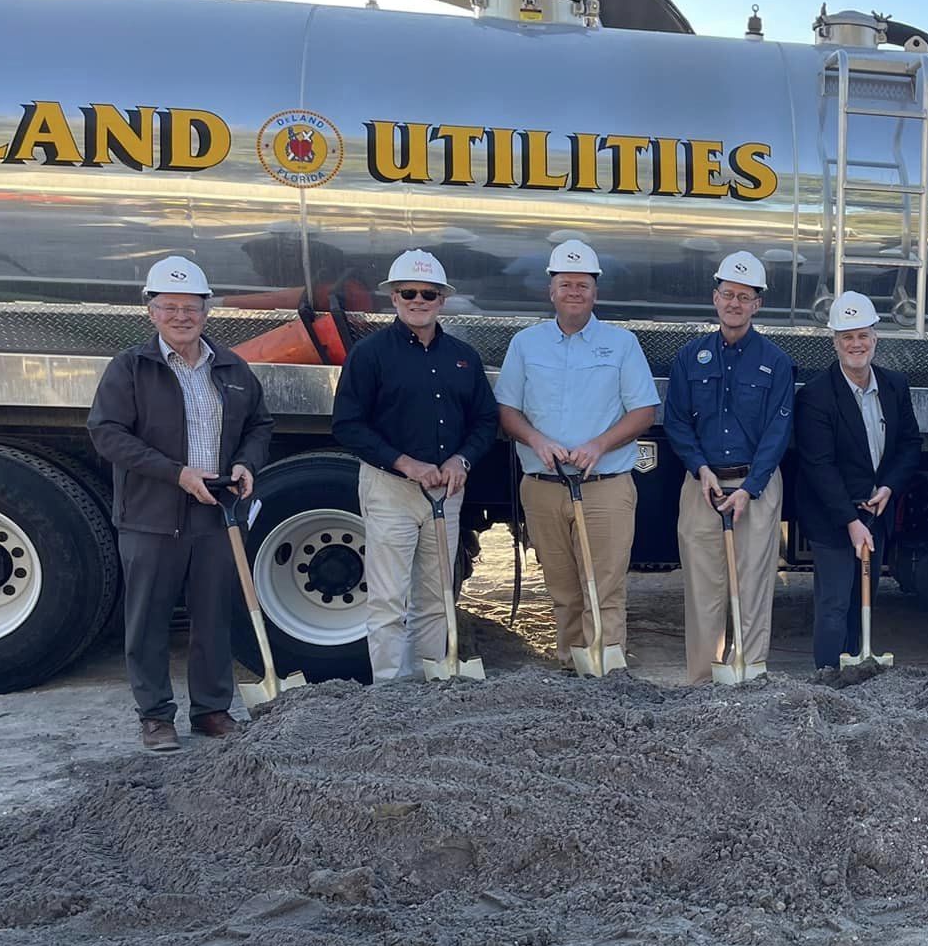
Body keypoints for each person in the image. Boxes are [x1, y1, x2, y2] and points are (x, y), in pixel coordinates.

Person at [87, 256, 274, 752]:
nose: (181, 317)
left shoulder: (231, 367)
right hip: (151, 514)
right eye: (169, 307)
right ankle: (155, 717)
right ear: (151, 311)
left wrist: (246, 463)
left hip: (216, 511)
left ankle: (211, 710)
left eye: (190, 307)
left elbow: (260, 424)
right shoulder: (131, 368)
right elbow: (107, 433)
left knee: (213, 616)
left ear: (206, 311)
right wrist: (177, 474)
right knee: (148, 620)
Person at [330, 249, 499, 683]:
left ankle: (429, 687)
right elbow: (347, 424)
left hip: (446, 493)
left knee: (436, 598)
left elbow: (486, 419)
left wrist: (462, 459)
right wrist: (405, 463)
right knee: (388, 600)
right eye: (408, 293)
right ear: (394, 297)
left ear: (442, 299)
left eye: (428, 293)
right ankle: (390, 691)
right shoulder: (369, 355)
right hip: (391, 490)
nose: (418, 300)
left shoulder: (464, 357)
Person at [494, 239, 656, 671]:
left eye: (582, 284)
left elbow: (644, 411)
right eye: (565, 284)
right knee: (563, 591)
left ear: (595, 292)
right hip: (543, 488)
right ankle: (570, 669)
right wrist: (536, 441)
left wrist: (599, 445)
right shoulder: (526, 344)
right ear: (551, 290)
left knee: (604, 590)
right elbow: (507, 411)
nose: (574, 292)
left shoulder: (621, 344)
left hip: (604, 488)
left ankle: (606, 675)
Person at [664, 250, 795, 683]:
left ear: (758, 304)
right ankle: (703, 681)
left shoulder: (776, 362)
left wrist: (750, 487)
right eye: (728, 294)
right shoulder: (690, 357)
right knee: (703, 589)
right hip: (703, 486)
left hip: (755, 486)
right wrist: (700, 468)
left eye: (744, 296)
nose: (734, 303)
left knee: (753, 587)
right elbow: (677, 421)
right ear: (715, 298)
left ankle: (749, 677)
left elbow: (778, 431)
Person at [794, 291, 917, 672]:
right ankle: (827, 678)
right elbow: (819, 465)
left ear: (875, 338)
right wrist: (850, 521)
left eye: (863, 335)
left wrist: (889, 487)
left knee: (863, 599)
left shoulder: (895, 386)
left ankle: (856, 673)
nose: (856, 344)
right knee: (834, 603)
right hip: (832, 517)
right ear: (835, 342)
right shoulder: (816, 396)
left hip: (876, 513)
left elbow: (909, 444)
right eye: (847, 336)